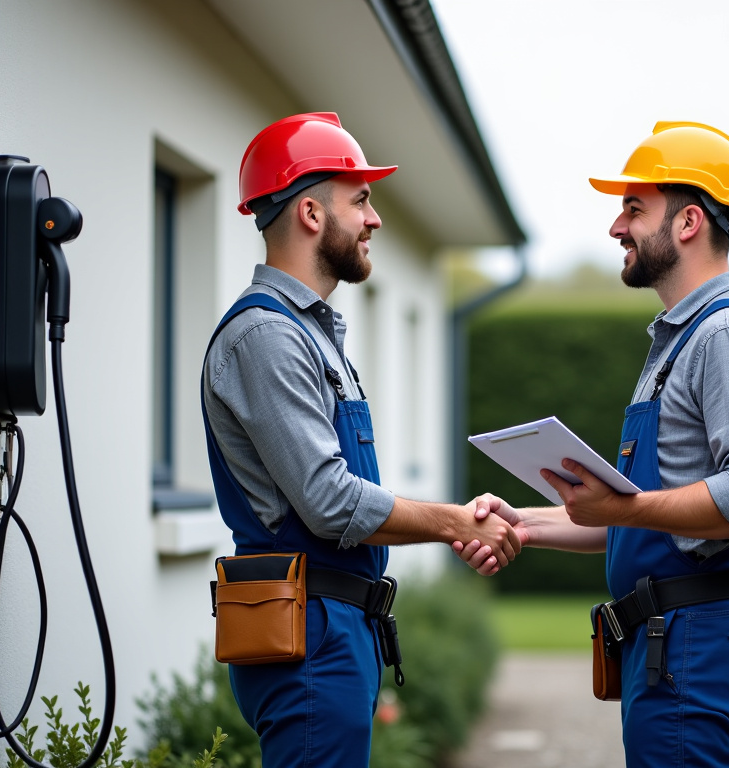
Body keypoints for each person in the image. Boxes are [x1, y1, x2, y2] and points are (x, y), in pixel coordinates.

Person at [458, 121, 729, 767]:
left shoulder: (725, 336)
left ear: (690, 221)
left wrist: (626, 509)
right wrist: (521, 523)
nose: (617, 227)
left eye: (634, 209)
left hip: (696, 639)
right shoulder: (680, 340)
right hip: (671, 640)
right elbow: (636, 517)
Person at [202, 112, 520, 768]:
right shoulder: (267, 338)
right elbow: (330, 502)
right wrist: (455, 522)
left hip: (335, 630)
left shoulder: (309, 334)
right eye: (362, 200)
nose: (374, 219)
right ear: (312, 214)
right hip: (309, 636)